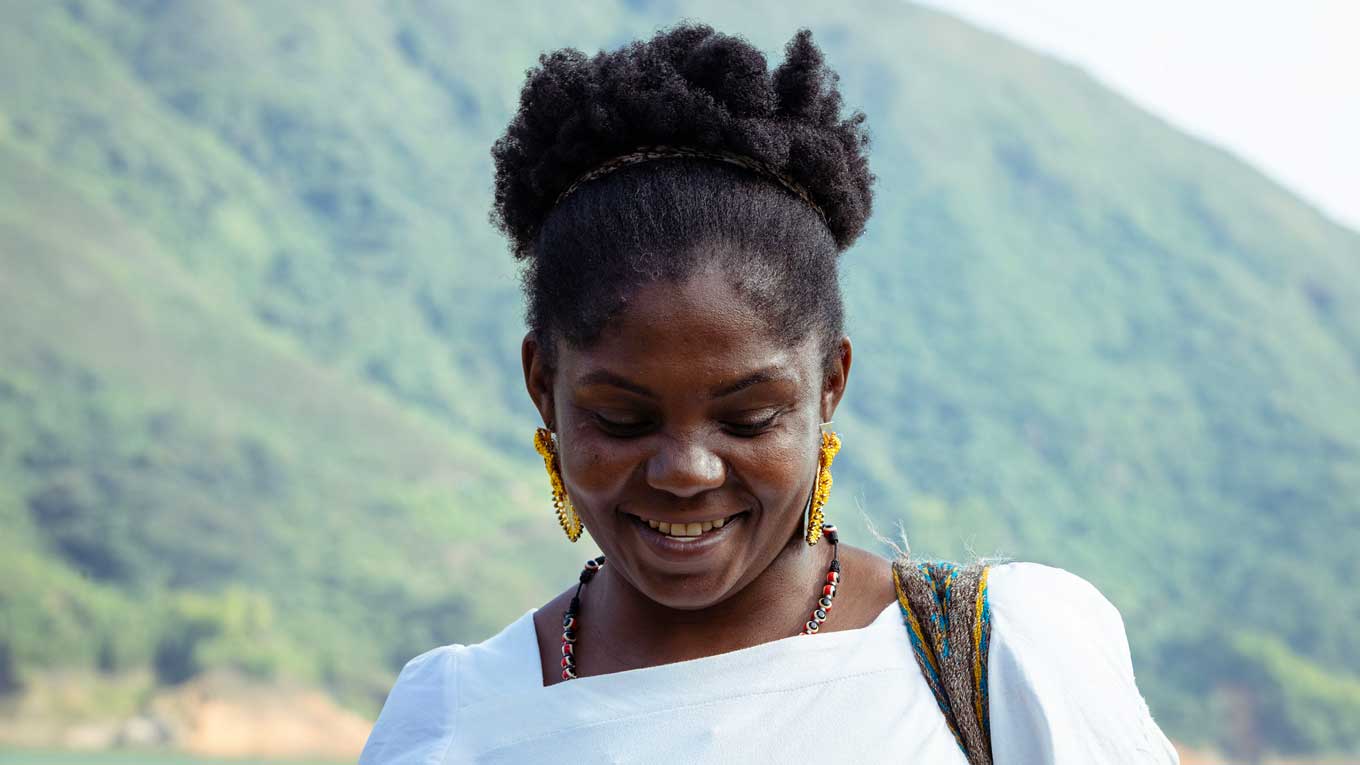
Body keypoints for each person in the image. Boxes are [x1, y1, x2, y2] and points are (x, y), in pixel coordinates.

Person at [360, 23, 1177, 764]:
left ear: (831, 385)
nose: (687, 470)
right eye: (622, 417)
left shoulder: (1000, 659)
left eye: (749, 417)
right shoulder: (458, 719)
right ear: (544, 386)